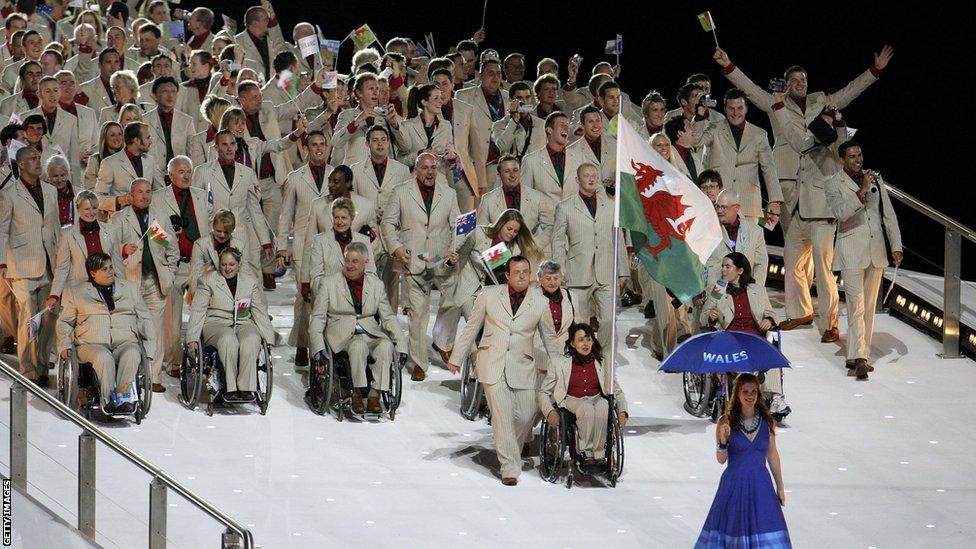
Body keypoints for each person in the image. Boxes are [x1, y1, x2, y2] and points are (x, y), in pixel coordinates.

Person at [447, 256, 558, 485]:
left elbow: (550, 339)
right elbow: (471, 327)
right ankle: (509, 467)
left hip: (523, 365)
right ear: (507, 275)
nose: (521, 275)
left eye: (525, 272)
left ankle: (508, 449)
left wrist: (562, 367)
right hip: (492, 362)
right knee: (502, 416)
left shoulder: (540, 302)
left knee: (527, 415)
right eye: (516, 272)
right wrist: (456, 356)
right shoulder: (488, 294)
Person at [825, 141, 903, 380]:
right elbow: (840, 213)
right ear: (842, 159)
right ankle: (859, 358)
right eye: (851, 156)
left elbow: (888, 214)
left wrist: (896, 245)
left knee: (868, 307)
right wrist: (861, 191)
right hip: (850, 249)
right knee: (856, 304)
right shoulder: (832, 183)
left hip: (875, 249)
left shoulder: (875, 179)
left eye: (859, 154)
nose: (857, 159)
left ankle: (859, 355)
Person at [381, 152, 460, 381]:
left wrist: (453, 250)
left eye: (433, 167)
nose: (430, 172)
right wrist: (396, 247)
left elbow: (457, 225)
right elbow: (388, 222)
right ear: (416, 170)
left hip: (439, 258)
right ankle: (418, 362)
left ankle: (442, 340)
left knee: (455, 299)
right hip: (413, 258)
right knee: (417, 313)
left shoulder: (449, 193)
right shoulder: (401, 191)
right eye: (425, 168)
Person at [308, 242, 406, 413]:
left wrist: (401, 345)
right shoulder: (329, 283)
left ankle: (375, 394)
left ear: (365, 263)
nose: (350, 265)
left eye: (355, 261)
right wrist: (317, 348)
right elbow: (317, 318)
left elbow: (388, 317)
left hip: (370, 331)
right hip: (341, 333)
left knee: (386, 346)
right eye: (347, 261)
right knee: (358, 346)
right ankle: (357, 394)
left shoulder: (376, 285)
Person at [696, 373, 790, 548]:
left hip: (761, 485)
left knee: (765, 526)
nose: (750, 395)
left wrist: (780, 487)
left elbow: (772, 455)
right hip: (734, 485)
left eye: (753, 391)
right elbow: (721, 459)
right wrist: (723, 441)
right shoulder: (725, 422)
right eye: (745, 391)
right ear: (737, 394)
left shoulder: (767, 421)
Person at [56, 253, 155, 413]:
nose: (110, 271)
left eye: (110, 267)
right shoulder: (76, 292)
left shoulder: (130, 289)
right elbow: (64, 322)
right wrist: (64, 345)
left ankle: (123, 400)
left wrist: (149, 349)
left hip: (124, 342)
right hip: (91, 344)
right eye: (104, 269)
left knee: (132, 354)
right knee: (104, 357)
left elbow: (146, 320)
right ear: (93, 273)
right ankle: (108, 401)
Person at [551, 163, 629, 351]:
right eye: (587, 175)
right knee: (580, 326)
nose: (592, 178)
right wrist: (559, 270)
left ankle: (602, 361)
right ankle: (583, 366)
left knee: (609, 322)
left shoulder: (610, 207)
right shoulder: (565, 207)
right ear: (578, 180)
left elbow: (618, 239)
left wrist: (623, 271)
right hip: (577, 273)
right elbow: (558, 242)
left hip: (606, 272)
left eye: (595, 175)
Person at [111, 178, 178, 392]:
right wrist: (123, 249)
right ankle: (129, 374)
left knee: (155, 330)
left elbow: (171, 250)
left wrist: (170, 272)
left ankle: (154, 376)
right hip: (129, 283)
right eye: (140, 192)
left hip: (154, 281)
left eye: (148, 191)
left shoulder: (158, 219)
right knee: (131, 329)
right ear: (131, 195)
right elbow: (109, 250)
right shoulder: (120, 219)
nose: (145, 195)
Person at [0, 145, 60, 384]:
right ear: (20, 165)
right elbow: (2, 230)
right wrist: (2, 262)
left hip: (48, 262)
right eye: (32, 159)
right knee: (28, 317)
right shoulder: (9, 193)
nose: (37, 161)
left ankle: (43, 366)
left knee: (49, 318)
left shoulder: (50, 190)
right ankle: (28, 371)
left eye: (39, 157)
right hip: (22, 265)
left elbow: (54, 227)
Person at [701, 253, 788, 415]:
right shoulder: (719, 289)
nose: (723, 270)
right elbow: (703, 317)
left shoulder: (757, 290)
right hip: (730, 340)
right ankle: (744, 395)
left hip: (754, 338)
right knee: (743, 362)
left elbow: (772, 313)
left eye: (728, 267)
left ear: (740, 270)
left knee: (771, 355)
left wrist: (769, 319)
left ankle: (776, 398)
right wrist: (710, 317)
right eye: (723, 266)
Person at [187, 246, 274, 401]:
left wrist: (268, 338)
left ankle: (247, 388)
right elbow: (198, 310)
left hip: (242, 322)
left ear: (238, 264)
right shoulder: (208, 280)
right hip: (216, 323)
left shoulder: (250, 282)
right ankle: (229, 387)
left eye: (231, 265)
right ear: (219, 264)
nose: (227, 269)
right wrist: (192, 338)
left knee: (252, 338)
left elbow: (259, 311)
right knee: (228, 339)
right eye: (224, 265)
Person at [151, 156, 212, 376]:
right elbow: (153, 232)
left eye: (189, 171)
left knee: (203, 313)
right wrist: (169, 237)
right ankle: (174, 363)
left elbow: (211, 227)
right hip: (173, 265)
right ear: (170, 175)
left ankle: (204, 359)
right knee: (172, 319)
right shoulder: (158, 198)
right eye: (181, 171)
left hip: (199, 265)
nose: (186, 175)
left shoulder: (202, 196)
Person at [538, 322, 627, 469]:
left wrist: (623, 411)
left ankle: (599, 454)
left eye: (588, 339)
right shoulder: (559, 363)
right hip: (572, 400)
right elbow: (543, 393)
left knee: (604, 406)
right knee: (586, 408)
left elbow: (616, 390)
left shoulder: (602, 362)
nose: (585, 343)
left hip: (596, 397)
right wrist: (549, 411)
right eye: (581, 340)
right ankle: (585, 452)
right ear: (572, 343)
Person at [698, 88, 782, 223]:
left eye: (740, 108)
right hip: (718, 204)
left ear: (746, 109)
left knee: (749, 243)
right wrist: (699, 116)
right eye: (731, 108)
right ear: (725, 109)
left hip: (748, 205)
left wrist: (775, 200)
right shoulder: (714, 129)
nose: (736, 113)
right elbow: (696, 141)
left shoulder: (759, 134)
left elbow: (769, 169)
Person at [48, 190, 125, 302]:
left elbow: (117, 264)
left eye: (94, 208)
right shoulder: (67, 235)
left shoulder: (111, 231)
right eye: (87, 209)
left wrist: (123, 289)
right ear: (78, 209)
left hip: (107, 288)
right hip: (80, 291)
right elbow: (62, 268)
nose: (91, 212)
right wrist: (54, 295)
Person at [301, 197, 375, 302]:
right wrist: (333, 293)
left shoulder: (363, 240)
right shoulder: (320, 241)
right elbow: (316, 276)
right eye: (336, 217)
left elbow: (371, 272)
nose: (340, 222)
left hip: (358, 299)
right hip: (329, 301)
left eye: (344, 218)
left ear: (352, 218)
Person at [476, 154, 554, 250]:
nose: (512, 175)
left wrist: (535, 246)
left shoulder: (537, 197)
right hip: (499, 258)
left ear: (520, 172)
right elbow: (482, 232)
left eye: (515, 170)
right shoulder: (488, 199)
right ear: (499, 175)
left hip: (528, 255)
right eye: (507, 171)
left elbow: (550, 226)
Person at [188, 210, 260, 303]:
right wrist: (198, 299)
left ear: (232, 230)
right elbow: (195, 274)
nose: (222, 235)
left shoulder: (240, 244)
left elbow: (245, 271)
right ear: (213, 227)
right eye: (219, 231)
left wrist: (248, 297)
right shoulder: (200, 244)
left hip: (232, 286)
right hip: (208, 288)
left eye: (226, 232)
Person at [520, 112, 584, 204]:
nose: (566, 128)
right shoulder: (530, 161)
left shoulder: (579, 158)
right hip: (545, 217)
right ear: (549, 130)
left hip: (573, 216)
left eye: (567, 125)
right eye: (562, 125)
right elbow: (525, 197)